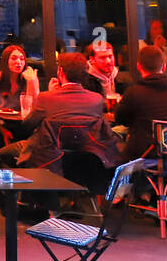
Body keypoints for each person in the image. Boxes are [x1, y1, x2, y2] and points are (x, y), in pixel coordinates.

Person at [6, 53, 123, 192]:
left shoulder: (47, 98)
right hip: (86, 160)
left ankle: (10, 205)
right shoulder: (96, 100)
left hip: (48, 160)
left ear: (60, 71)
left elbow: (26, 128)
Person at [0, 44, 40, 113]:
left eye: (22, 59)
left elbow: (35, 109)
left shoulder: (28, 79)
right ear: (5, 61)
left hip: (22, 121)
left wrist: (32, 82)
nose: (19, 62)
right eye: (14, 58)